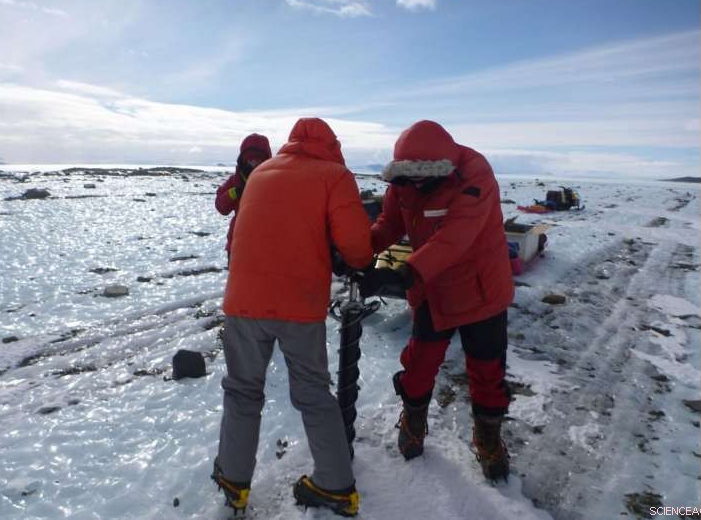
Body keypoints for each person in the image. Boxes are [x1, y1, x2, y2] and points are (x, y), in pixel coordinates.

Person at [212, 118, 373, 516]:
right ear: (331, 145)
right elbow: (356, 248)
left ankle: (233, 482)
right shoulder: (335, 176)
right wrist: (356, 261)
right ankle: (336, 486)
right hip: (299, 306)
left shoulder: (263, 172)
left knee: (242, 391)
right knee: (313, 394)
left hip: (244, 302)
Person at [359, 120, 514, 483]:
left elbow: (456, 236)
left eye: (421, 177)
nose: (413, 184)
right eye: (406, 177)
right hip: (433, 290)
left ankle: (487, 438)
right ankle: (414, 419)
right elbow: (388, 225)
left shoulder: (475, 174)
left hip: (481, 292)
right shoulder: (403, 185)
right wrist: (357, 252)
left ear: (442, 168)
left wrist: (404, 273)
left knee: (487, 373)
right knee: (418, 366)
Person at [214, 133, 273, 264]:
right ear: (243, 159)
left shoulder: (274, 181)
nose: (254, 163)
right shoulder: (235, 181)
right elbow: (221, 207)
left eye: (258, 159)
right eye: (250, 159)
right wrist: (234, 193)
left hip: (267, 244)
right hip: (238, 244)